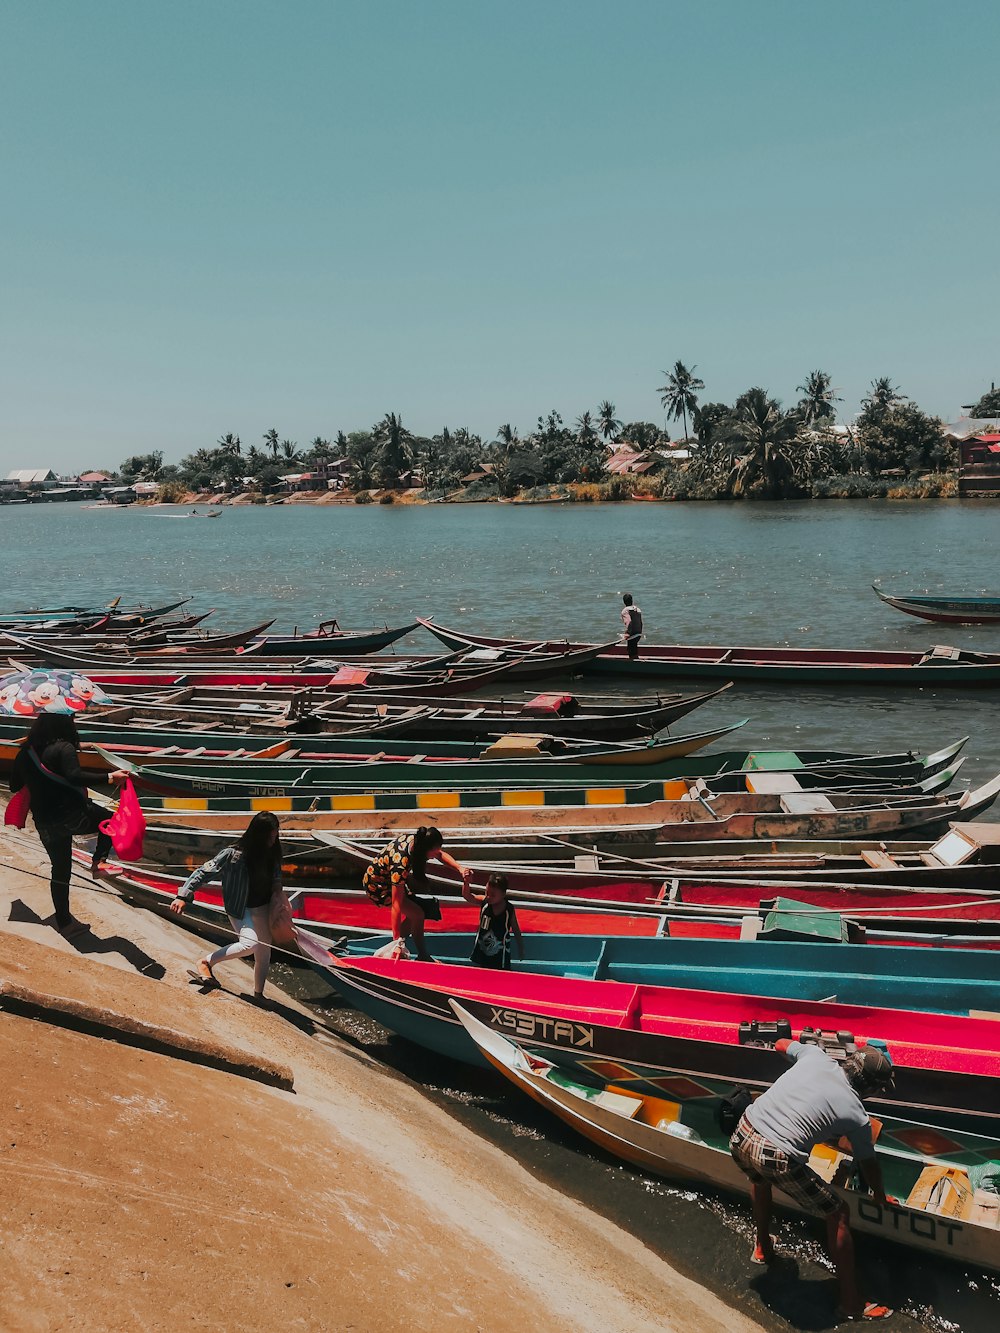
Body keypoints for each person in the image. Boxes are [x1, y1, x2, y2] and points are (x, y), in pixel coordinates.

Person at [729, 1039, 895, 1322]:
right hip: (775, 1154)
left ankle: (762, 1247)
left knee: (760, 1179)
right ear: (870, 1088)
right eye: (879, 1089)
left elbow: (781, 1044)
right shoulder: (856, 1115)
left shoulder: (815, 1055)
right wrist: (879, 1195)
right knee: (838, 1212)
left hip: (743, 1132)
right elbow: (869, 1163)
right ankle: (851, 1303)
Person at [9, 713, 130, 937]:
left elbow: (14, 785)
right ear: (65, 723)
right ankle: (99, 862)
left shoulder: (25, 752)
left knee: (60, 870)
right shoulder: (64, 748)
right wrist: (110, 777)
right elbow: (74, 776)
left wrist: (36, 779)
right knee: (110, 820)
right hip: (72, 815)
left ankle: (65, 924)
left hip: (45, 821)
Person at [170, 811, 285, 1003]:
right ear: (258, 835)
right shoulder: (233, 854)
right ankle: (206, 961)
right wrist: (183, 896)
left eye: (275, 836)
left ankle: (258, 994)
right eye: (269, 836)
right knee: (250, 944)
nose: (273, 840)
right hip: (240, 907)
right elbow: (203, 872)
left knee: (264, 952)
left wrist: (280, 894)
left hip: (263, 907)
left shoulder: (272, 853)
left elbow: (276, 878)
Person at [362, 825, 471, 962]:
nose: (433, 857)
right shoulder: (401, 864)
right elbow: (396, 906)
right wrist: (397, 944)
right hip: (378, 886)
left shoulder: (419, 842)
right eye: (432, 853)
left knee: (418, 912)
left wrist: (460, 868)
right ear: (425, 850)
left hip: (392, 880)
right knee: (418, 914)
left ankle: (414, 950)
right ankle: (411, 951)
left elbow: (439, 854)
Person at [468, 872, 523, 969]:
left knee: (501, 974)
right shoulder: (484, 902)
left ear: (503, 894)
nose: (488, 897)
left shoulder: (508, 910)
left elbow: (516, 929)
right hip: (483, 950)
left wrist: (520, 947)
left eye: (492, 895)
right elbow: (468, 896)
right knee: (482, 972)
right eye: (487, 893)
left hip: (500, 953)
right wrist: (466, 882)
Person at [620, 593, 643, 661]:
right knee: (634, 651)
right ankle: (636, 662)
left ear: (624, 602)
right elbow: (641, 623)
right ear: (632, 600)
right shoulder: (637, 609)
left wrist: (628, 633)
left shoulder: (625, 611)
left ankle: (634, 666)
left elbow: (629, 622)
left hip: (632, 635)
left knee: (631, 653)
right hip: (638, 634)